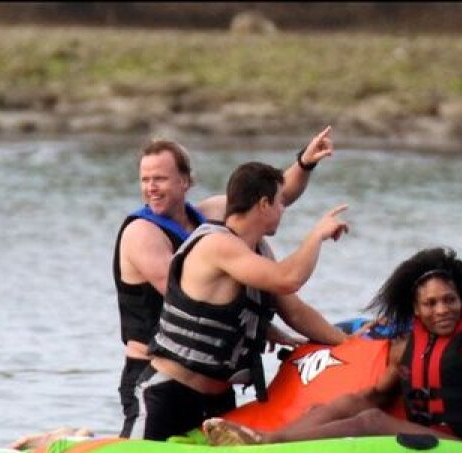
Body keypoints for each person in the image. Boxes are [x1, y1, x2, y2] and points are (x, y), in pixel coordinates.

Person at [202, 247, 462, 453]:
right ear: (416, 309)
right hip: (432, 436)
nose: (443, 310)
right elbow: (374, 394)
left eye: (450, 300)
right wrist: (322, 414)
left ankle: (269, 446)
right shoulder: (410, 343)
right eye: (431, 303)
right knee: (349, 406)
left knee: (371, 421)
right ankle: (267, 436)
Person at [115, 126, 336, 437]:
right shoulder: (142, 233)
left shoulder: (213, 214)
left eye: (160, 179)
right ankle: (58, 442)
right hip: (157, 371)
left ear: (185, 181)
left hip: (215, 383)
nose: (151, 187)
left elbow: (274, 195)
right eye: (145, 180)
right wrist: (263, 328)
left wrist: (304, 163)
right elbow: (189, 301)